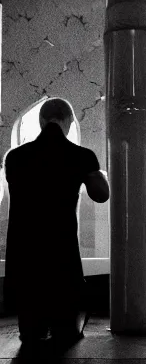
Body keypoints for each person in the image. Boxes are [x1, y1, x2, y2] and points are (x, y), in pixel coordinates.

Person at [2, 97, 110, 346]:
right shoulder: (81, 156)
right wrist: (97, 172)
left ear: (41, 121)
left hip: (25, 247)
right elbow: (101, 195)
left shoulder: (15, 157)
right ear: (70, 122)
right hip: (60, 247)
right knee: (66, 335)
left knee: (29, 334)